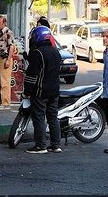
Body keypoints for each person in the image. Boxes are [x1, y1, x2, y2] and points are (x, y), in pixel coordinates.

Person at [24, 25, 61, 153]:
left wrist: (27, 92)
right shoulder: (56, 52)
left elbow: (31, 76)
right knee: (52, 117)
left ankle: (40, 145)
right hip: (55, 91)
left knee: (39, 117)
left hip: (40, 91)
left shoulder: (37, 53)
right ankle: (55, 144)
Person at [0, 15, 15, 110]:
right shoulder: (0, 33)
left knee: (4, 81)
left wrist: (8, 60)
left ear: (4, 23)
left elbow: (11, 46)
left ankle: (5, 103)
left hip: (5, 58)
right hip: (0, 58)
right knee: (0, 81)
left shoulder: (8, 32)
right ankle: (2, 101)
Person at [98, 29, 108, 154]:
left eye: (107, 36)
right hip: (107, 92)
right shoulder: (106, 52)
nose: (105, 38)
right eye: (104, 36)